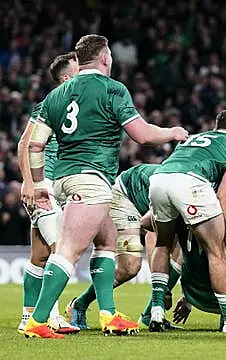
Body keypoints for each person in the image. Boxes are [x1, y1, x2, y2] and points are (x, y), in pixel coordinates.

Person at [24, 34, 188, 339]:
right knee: (68, 250)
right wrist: (172, 132)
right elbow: (142, 135)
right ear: (104, 58)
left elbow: (35, 144)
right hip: (90, 178)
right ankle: (38, 319)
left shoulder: (57, 95)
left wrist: (38, 184)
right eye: (109, 55)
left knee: (107, 237)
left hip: (63, 178)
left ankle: (108, 314)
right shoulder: (112, 89)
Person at [147, 108, 226, 333]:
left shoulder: (193, 139)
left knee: (163, 243)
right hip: (191, 182)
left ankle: (156, 309)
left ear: (216, 126)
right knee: (217, 253)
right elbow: (225, 194)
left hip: (159, 179)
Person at [66, 164, 179, 330]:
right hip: (125, 196)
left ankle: (150, 316)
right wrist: (163, 293)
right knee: (129, 268)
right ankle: (79, 305)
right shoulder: (177, 192)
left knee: (180, 253)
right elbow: (152, 233)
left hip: (147, 197)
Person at [17, 52, 80, 335]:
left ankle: (27, 315)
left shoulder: (72, 106)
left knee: (40, 255)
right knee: (60, 250)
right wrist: (29, 183)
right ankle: (50, 317)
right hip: (43, 186)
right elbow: (24, 145)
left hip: (51, 186)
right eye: (80, 69)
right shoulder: (52, 103)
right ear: (67, 77)